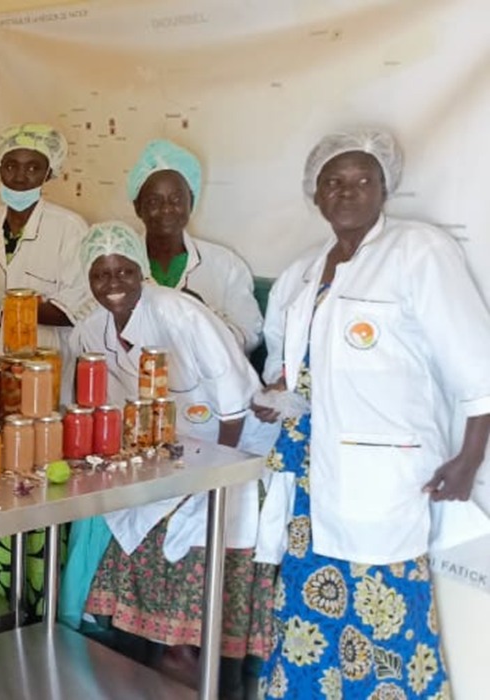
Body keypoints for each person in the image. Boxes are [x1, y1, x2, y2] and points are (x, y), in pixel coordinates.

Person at [255, 129, 490, 699]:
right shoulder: (304, 272)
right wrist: (277, 395)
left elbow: (475, 363)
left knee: (385, 617)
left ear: (385, 188)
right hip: (308, 478)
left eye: (363, 180)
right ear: (316, 196)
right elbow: (289, 361)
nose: (348, 192)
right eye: (334, 182)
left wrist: (469, 457)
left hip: (384, 480)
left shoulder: (419, 252)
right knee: (309, 619)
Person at [65, 222, 276, 689]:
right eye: (102, 274)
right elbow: (84, 402)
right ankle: (152, 649)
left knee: (203, 520)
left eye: (124, 271)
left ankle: (196, 655)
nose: (114, 283)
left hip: (233, 443)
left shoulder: (180, 314)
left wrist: (216, 471)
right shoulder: (88, 332)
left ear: (142, 272)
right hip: (165, 452)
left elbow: (234, 398)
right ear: (89, 280)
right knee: (133, 514)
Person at [0, 123, 92, 360]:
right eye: (11, 166)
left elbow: (70, 313)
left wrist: (3, 301)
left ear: (48, 173)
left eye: (33, 167)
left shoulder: (70, 229)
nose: (20, 177)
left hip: (41, 365)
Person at [126, 139, 262, 352]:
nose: (167, 210)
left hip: (205, 383)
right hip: (136, 379)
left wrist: (205, 316)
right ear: (137, 207)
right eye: (154, 201)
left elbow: (248, 336)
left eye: (176, 199)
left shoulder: (226, 266)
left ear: (191, 202)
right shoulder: (118, 265)